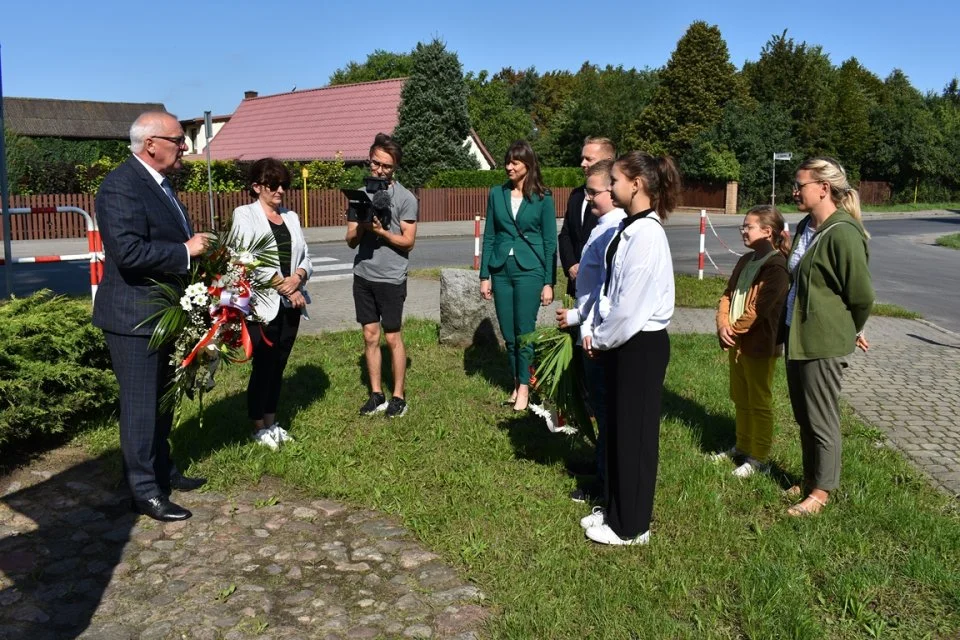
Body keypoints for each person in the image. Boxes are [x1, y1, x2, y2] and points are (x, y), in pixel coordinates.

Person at [92, 112, 210, 522]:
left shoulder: (161, 184)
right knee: (141, 405)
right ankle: (143, 491)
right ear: (151, 145)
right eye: (179, 140)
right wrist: (186, 252)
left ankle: (162, 470)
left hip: (160, 314)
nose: (186, 147)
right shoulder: (121, 186)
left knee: (161, 401)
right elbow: (127, 254)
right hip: (133, 316)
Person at [578, 151, 679, 546]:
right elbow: (613, 293)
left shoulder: (648, 235)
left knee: (635, 437)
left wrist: (599, 338)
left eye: (616, 179)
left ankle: (633, 526)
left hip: (640, 344)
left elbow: (630, 306)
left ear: (636, 183)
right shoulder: (633, 229)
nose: (611, 185)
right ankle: (617, 510)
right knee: (620, 430)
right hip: (624, 342)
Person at [784, 157, 873, 516]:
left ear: (823, 188)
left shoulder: (843, 233)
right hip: (797, 335)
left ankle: (821, 492)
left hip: (823, 340)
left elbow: (862, 295)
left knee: (821, 417)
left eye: (800, 185)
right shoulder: (807, 226)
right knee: (804, 415)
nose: (794, 191)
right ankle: (809, 478)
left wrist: (853, 328)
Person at [230, 158, 313, 450]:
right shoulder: (244, 215)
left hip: (292, 303)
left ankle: (271, 420)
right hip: (262, 304)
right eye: (273, 185)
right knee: (264, 365)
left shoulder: (291, 217)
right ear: (256, 187)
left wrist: (299, 277)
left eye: (284, 185)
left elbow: (306, 257)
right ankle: (257, 426)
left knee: (279, 364)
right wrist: (286, 287)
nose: (280, 190)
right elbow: (248, 260)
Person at [556, 159, 626, 501]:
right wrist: (575, 316)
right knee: (599, 404)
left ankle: (605, 480)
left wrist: (583, 322)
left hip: (597, 332)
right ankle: (600, 467)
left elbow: (604, 289)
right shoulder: (604, 225)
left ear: (612, 193)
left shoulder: (615, 229)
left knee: (604, 408)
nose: (588, 199)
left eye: (593, 193)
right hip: (588, 324)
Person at [713, 205, 791, 478]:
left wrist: (733, 329)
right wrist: (723, 324)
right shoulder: (745, 260)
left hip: (758, 344)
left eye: (748, 226)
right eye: (743, 226)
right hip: (735, 341)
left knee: (758, 400)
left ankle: (758, 456)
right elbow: (728, 294)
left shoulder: (777, 266)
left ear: (767, 231)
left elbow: (760, 308)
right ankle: (743, 446)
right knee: (740, 397)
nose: (743, 230)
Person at [479, 141, 557, 412]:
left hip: (530, 272)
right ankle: (517, 382)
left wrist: (549, 282)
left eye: (515, 162)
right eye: (507, 161)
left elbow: (550, 242)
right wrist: (484, 275)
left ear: (528, 165)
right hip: (501, 270)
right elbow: (489, 236)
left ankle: (524, 387)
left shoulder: (544, 197)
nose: (509, 167)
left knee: (525, 332)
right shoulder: (496, 194)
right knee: (509, 335)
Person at [346, 133, 418, 418]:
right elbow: (350, 240)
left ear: (395, 168)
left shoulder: (405, 198)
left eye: (386, 166)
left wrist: (382, 232)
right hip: (363, 274)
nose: (379, 170)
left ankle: (398, 396)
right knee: (369, 335)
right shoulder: (359, 194)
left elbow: (409, 242)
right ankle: (377, 395)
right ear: (369, 161)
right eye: (375, 163)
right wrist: (363, 226)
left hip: (391, 277)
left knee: (392, 338)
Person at [557, 137, 617, 299]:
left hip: (602, 285)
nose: (583, 163)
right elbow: (566, 233)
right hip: (576, 282)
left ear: (608, 161)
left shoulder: (615, 198)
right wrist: (571, 264)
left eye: (589, 159)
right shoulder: (576, 195)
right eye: (582, 158)